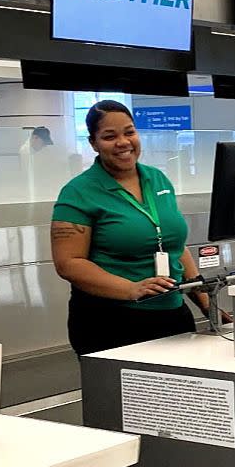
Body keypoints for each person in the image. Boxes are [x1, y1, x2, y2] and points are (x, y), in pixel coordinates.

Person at [51, 100, 212, 357]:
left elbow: (174, 247)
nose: (123, 142)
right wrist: (130, 289)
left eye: (129, 132)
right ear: (93, 143)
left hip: (172, 313)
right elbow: (68, 263)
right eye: (109, 136)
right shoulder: (78, 192)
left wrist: (207, 305)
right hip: (110, 320)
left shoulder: (157, 178)